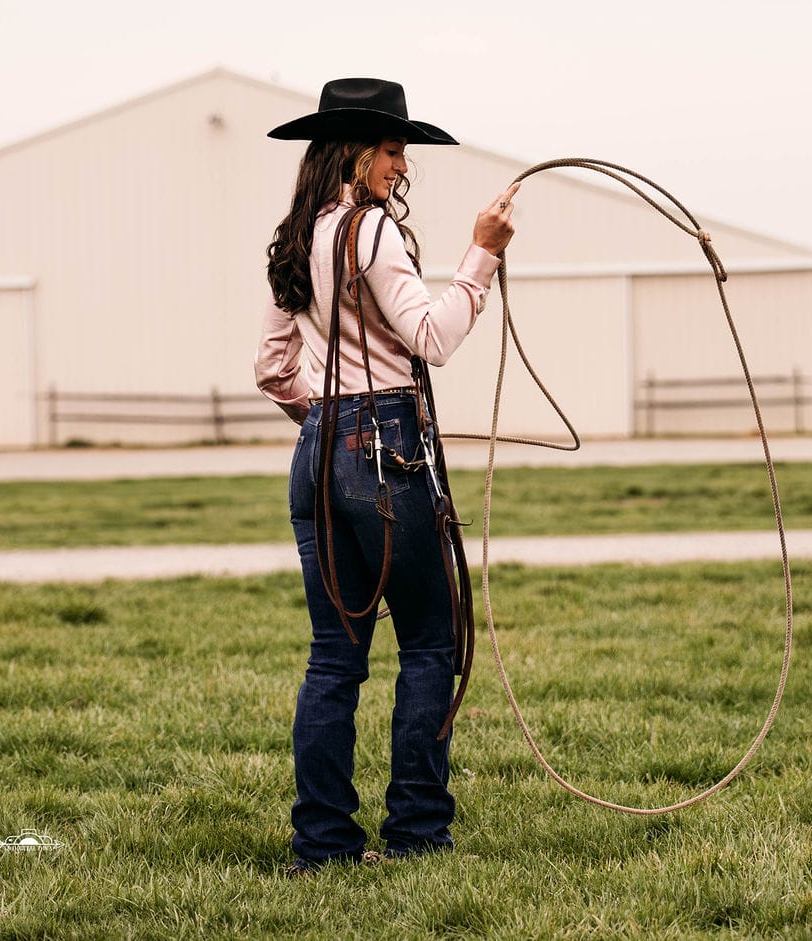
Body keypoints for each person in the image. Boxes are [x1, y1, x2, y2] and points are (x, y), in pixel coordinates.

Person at [254, 77, 519, 876]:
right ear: (359, 152)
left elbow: (272, 369)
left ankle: (324, 844)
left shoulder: (295, 236)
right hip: (389, 444)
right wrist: (484, 255)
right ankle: (414, 833)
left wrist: (330, 431)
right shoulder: (371, 231)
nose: (403, 167)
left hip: (320, 449)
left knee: (334, 658)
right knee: (433, 643)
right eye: (395, 150)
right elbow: (433, 337)